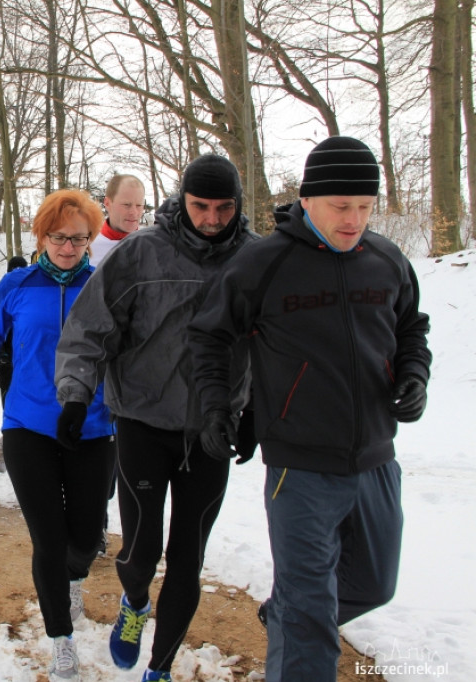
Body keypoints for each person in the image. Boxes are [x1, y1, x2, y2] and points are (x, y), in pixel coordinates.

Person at [188, 137, 432, 682]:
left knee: (373, 584)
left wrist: (414, 374)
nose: (354, 220)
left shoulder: (386, 259)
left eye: (365, 207)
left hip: (375, 460)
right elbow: (209, 337)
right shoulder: (265, 263)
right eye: (341, 207)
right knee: (309, 618)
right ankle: (297, 620)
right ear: (309, 199)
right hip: (298, 467)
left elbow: (412, 327)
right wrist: (215, 407)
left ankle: (290, 616)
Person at [55, 155, 259, 682]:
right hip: (144, 421)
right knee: (142, 550)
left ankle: (161, 667)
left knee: (188, 556)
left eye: (224, 207)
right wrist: (76, 395)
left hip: (213, 428)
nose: (212, 219)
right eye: (200, 207)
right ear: (181, 200)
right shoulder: (143, 252)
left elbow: (275, 344)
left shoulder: (257, 260)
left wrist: (255, 409)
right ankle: (135, 602)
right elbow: (89, 327)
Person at [0, 189, 115, 681]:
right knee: (48, 538)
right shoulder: (18, 283)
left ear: (91, 239)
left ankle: (74, 576)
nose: (68, 247)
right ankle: (60, 638)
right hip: (29, 425)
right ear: (42, 236)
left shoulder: (104, 286)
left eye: (78, 238)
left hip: (92, 425)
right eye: (58, 237)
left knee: (87, 536)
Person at [0, 255, 30, 473]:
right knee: (9, 404)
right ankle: (7, 444)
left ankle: (26, 447)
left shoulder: (34, 294)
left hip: (29, 360)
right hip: (7, 361)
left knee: (30, 404)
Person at [89, 174, 146, 266]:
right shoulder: (86, 248)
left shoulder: (151, 247)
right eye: (126, 205)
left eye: (139, 205)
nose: (134, 212)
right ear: (107, 203)